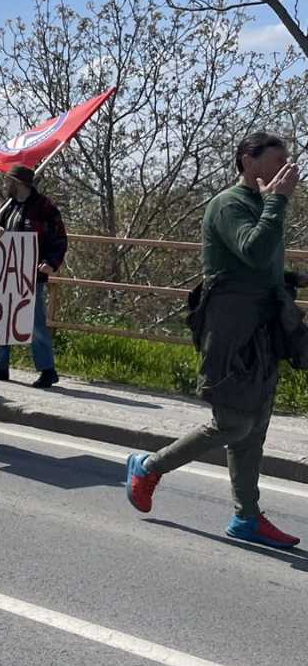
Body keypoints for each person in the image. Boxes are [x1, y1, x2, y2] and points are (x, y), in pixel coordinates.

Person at [126, 132, 301, 548]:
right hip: (229, 330)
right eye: (278, 159)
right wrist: (277, 202)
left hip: (262, 327)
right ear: (248, 160)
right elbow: (252, 251)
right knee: (234, 421)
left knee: (254, 424)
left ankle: (247, 516)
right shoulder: (230, 204)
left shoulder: (262, 206)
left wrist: (297, 280)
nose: (288, 168)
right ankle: (149, 466)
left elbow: (261, 270)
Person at [0, 163, 69, 388]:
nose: (5, 184)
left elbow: (59, 238)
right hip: (3, 271)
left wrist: (51, 262)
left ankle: (47, 370)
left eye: (9, 181)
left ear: (19, 184)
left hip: (31, 274)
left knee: (35, 322)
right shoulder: (6, 207)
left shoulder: (44, 207)